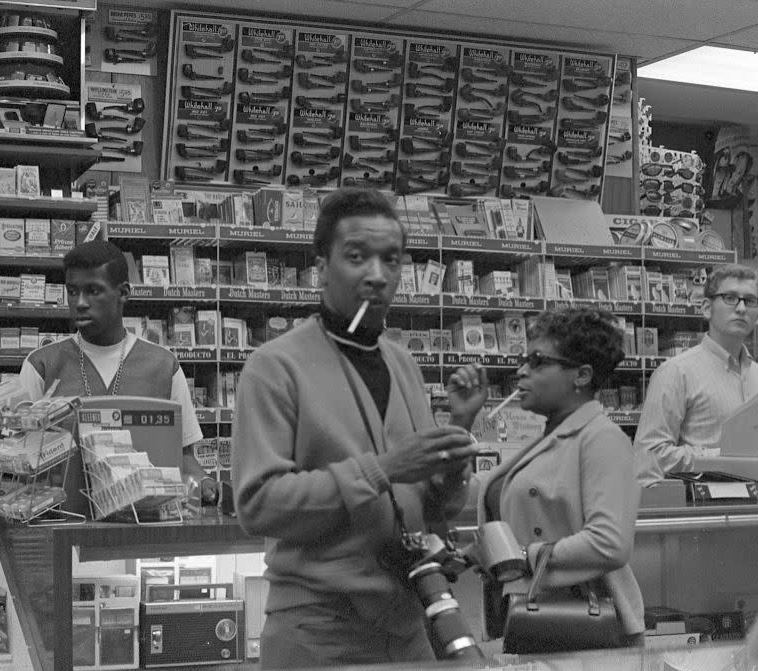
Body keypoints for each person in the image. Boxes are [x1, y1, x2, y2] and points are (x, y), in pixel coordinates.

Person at [231, 187, 487, 668]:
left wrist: (454, 451)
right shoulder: (274, 367)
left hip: (412, 623)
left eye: (390, 260)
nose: (376, 275)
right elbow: (258, 505)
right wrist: (383, 469)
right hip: (319, 631)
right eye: (356, 257)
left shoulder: (403, 364)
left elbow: (432, 508)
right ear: (321, 268)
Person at [476, 307, 645, 650]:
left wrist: (525, 556)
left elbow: (609, 542)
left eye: (537, 361)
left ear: (581, 376)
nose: (521, 371)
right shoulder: (553, 436)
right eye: (524, 359)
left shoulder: (602, 439)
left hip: (582, 626)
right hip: (538, 618)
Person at [19, 240, 217, 503]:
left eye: (93, 291)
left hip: (141, 533)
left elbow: (183, 458)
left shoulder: (163, 366)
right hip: (64, 527)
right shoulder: (41, 365)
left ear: (123, 292)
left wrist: (202, 484)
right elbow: (19, 461)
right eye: (72, 291)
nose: (80, 302)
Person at [635, 264, 758, 482]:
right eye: (730, 298)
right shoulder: (676, 372)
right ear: (706, 308)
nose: (741, 308)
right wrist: (717, 458)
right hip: (705, 509)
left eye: (750, 301)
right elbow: (648, 456)